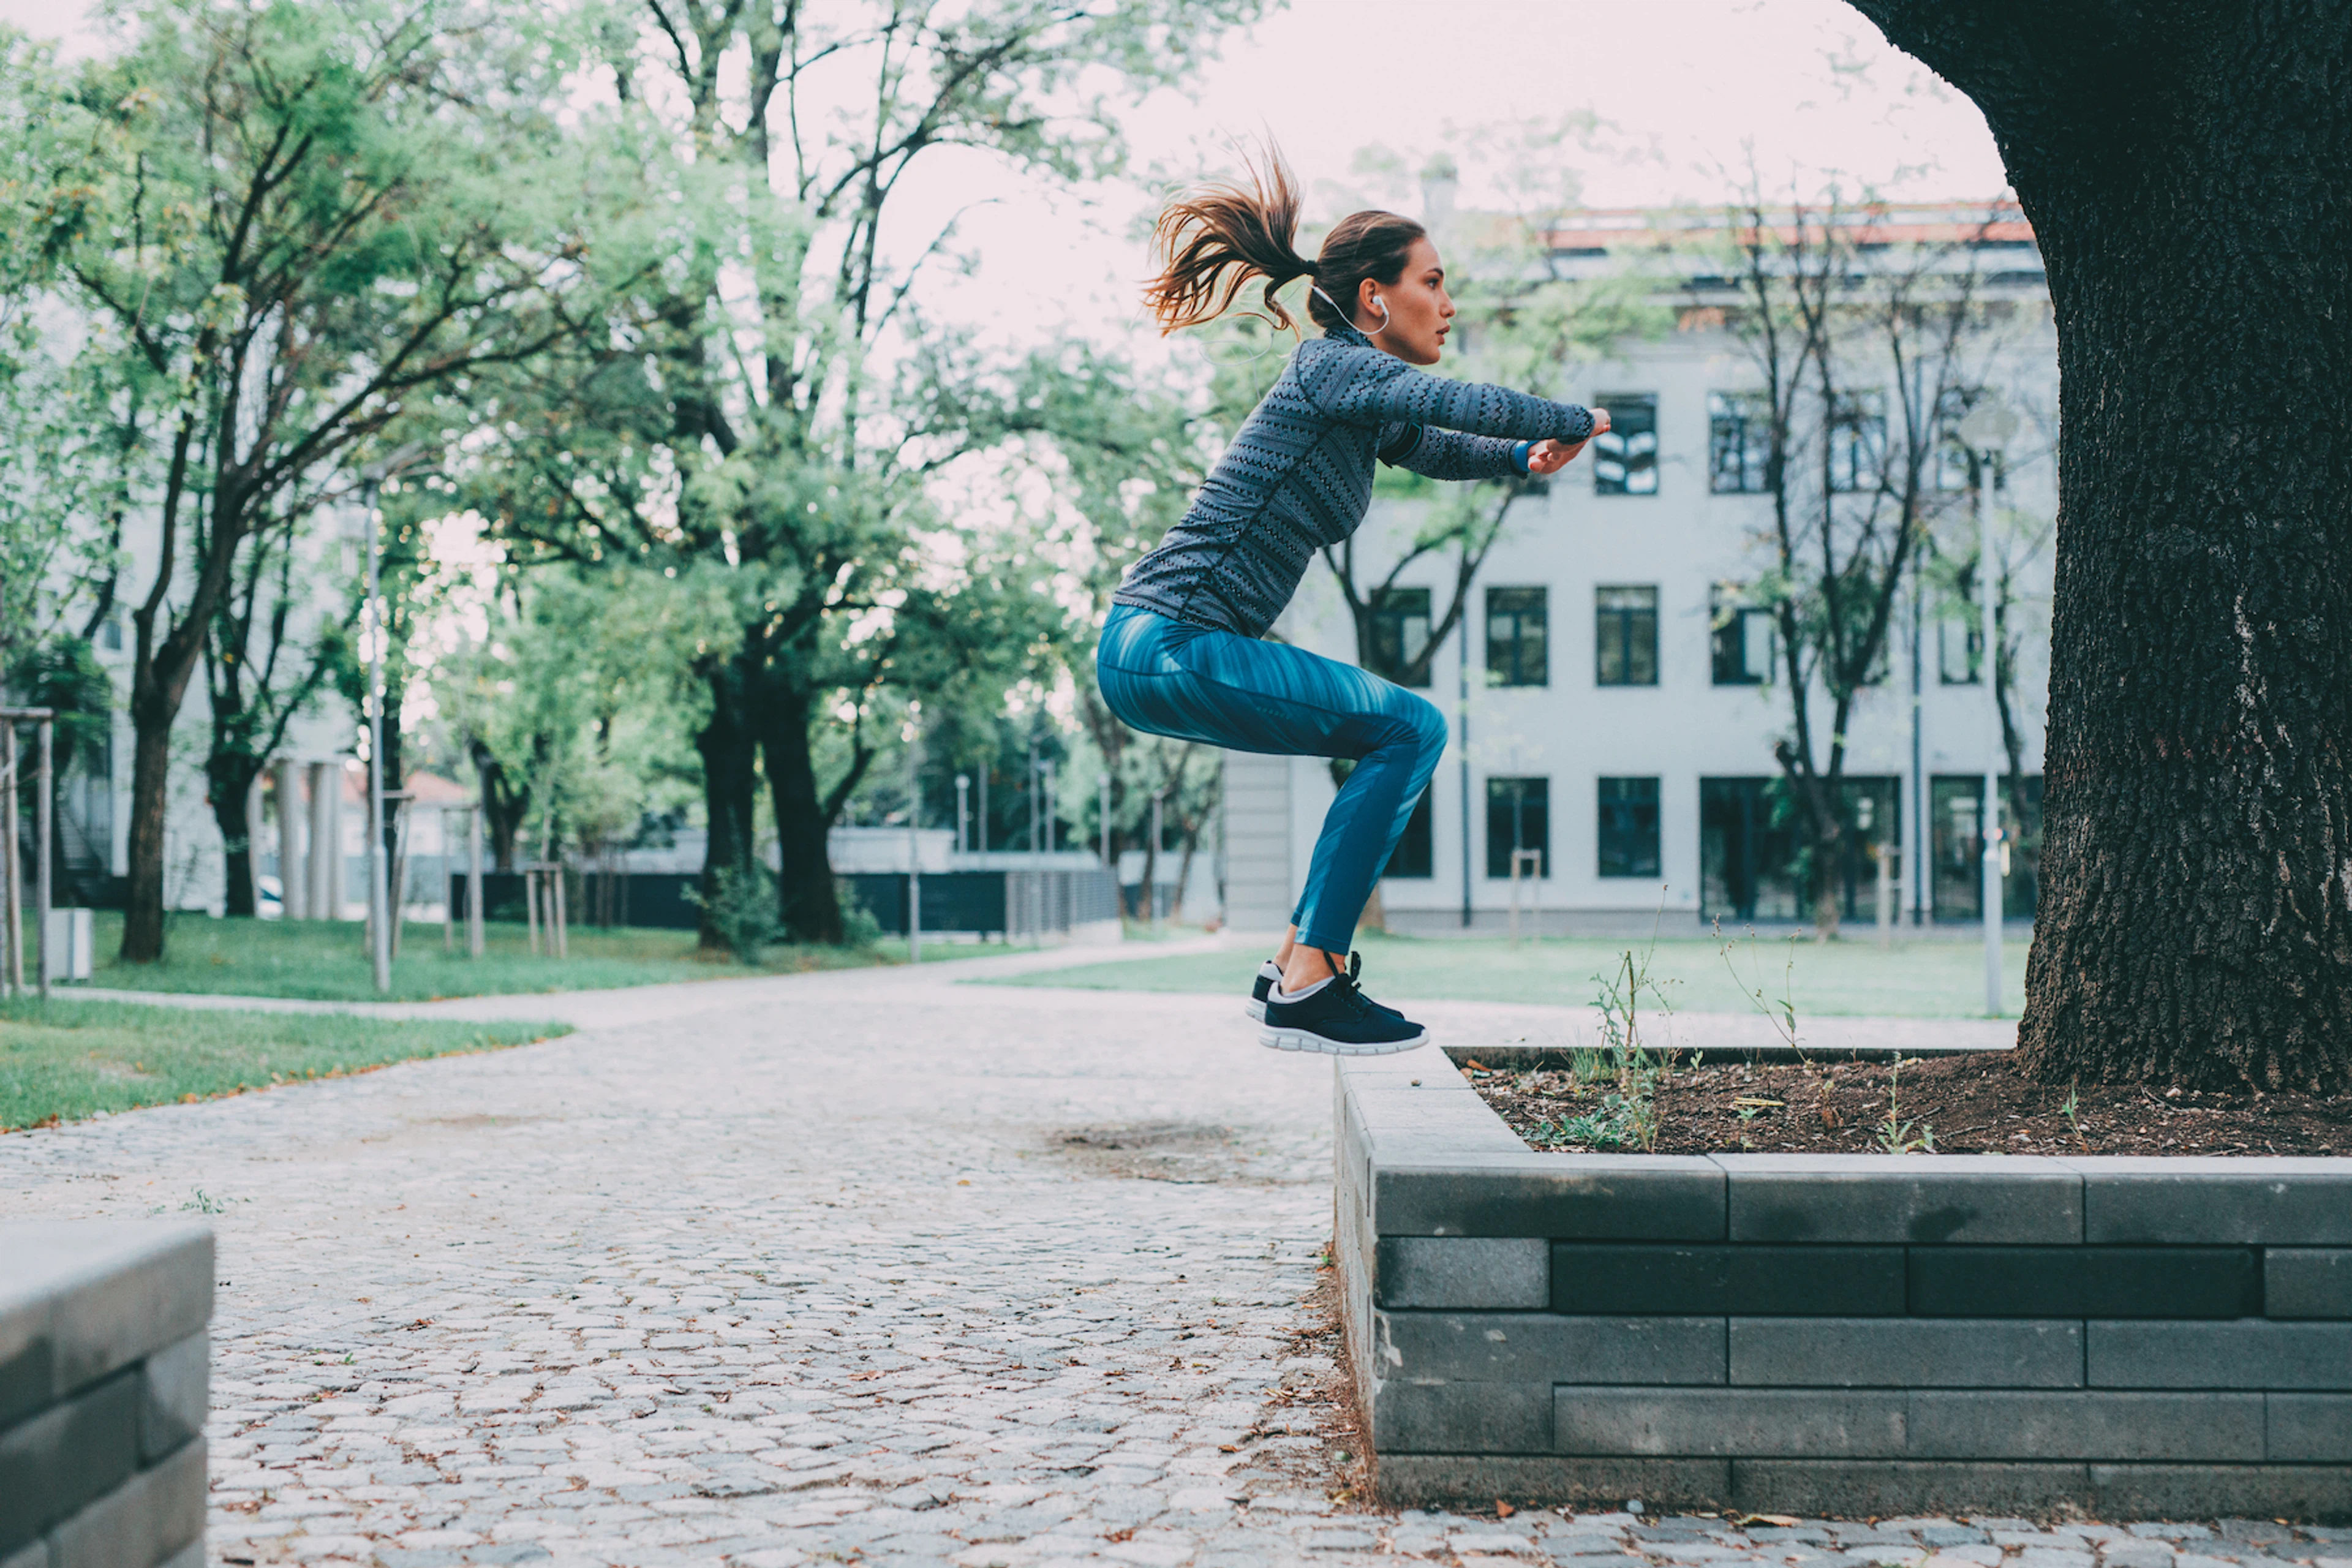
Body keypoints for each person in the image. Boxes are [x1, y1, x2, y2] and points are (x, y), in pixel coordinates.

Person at [1098, 149, 1607, 1056]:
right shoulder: (1327, 368)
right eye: (1435, 283)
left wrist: (1519, 462)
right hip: (1170, 641)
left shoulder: (1355, 398)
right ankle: (1310, 976)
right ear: (1376, 298)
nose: (1449, 306)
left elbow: (1430, 440)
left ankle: (1296, 963)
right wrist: (1565, 419)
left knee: (1398, 730)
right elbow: (1450, 401)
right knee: (1408, 728)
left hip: (1157, 649)